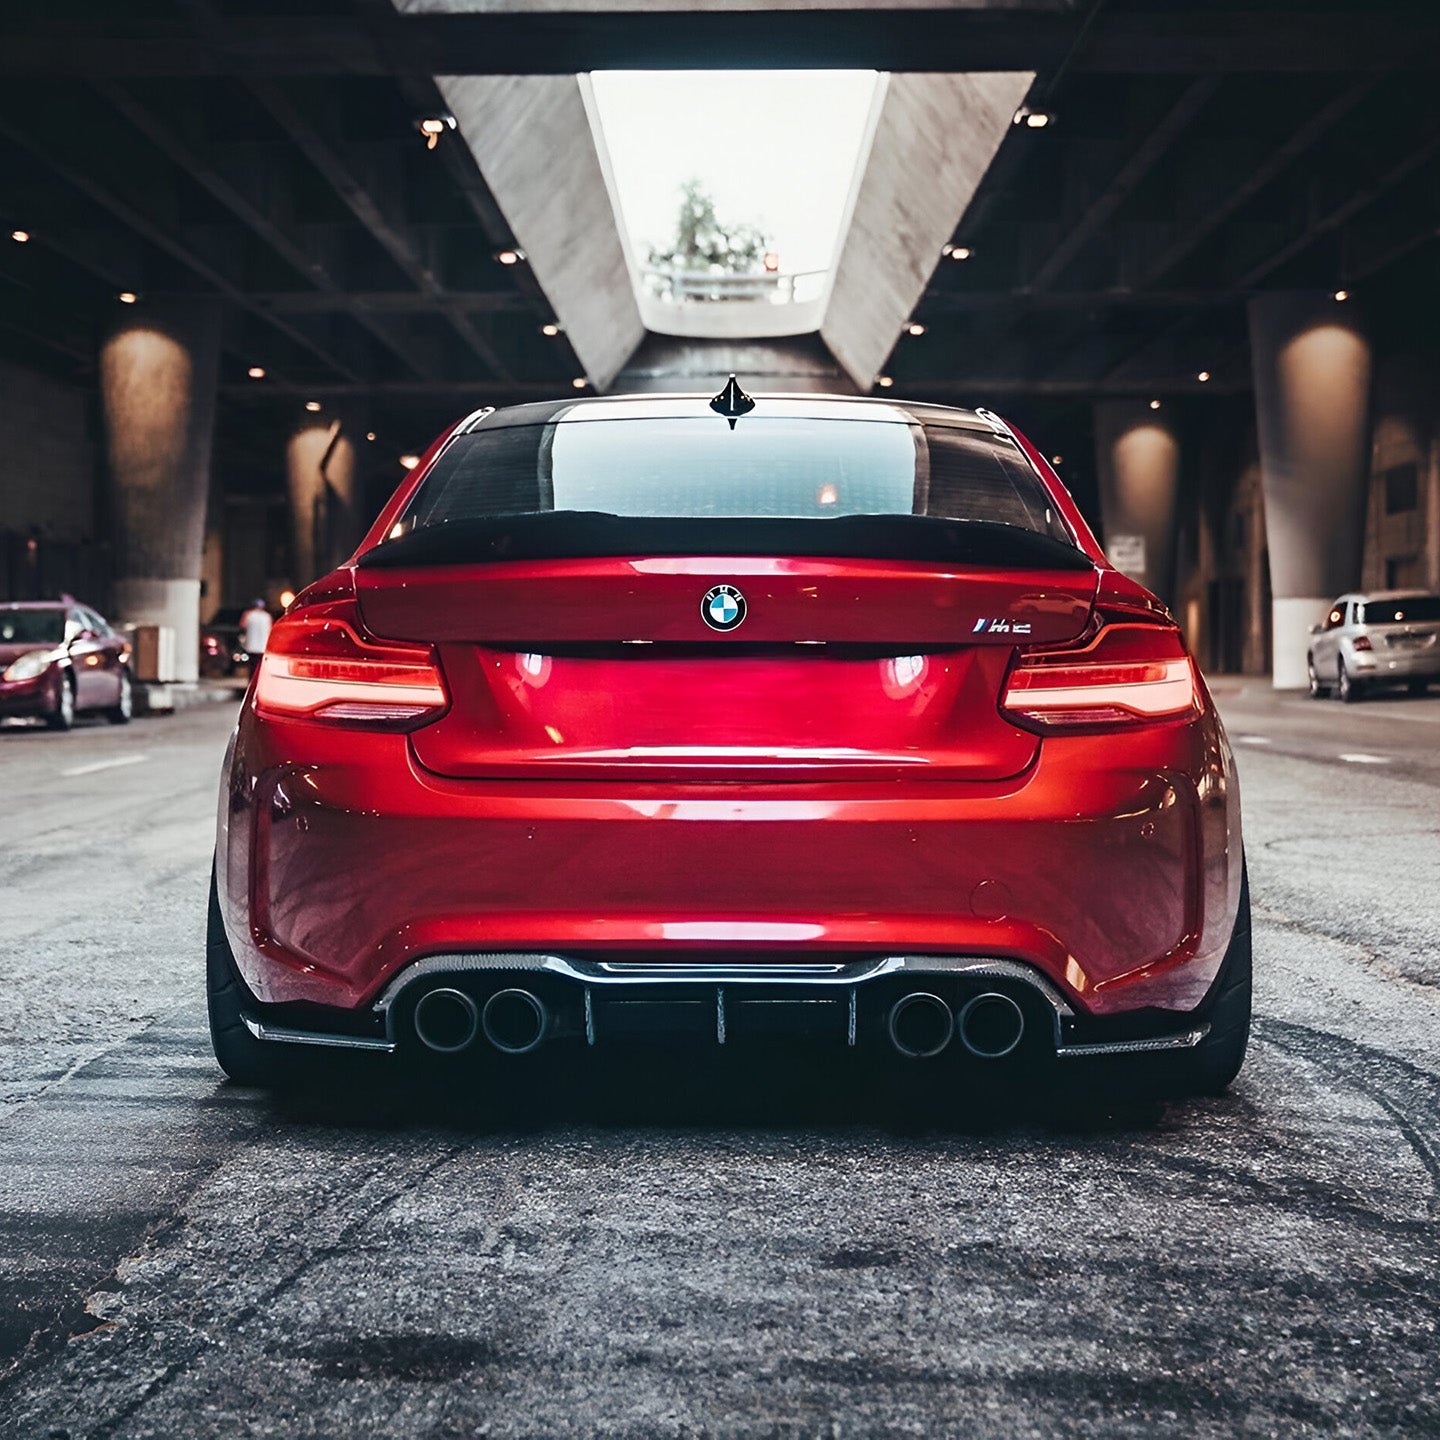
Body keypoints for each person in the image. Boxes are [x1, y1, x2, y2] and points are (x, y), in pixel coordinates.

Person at [240, 598, 272, 663]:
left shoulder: (248, 614)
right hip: (263, 647)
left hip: (251, 646)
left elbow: (242, 626)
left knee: (252, 664)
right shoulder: (267, 616)